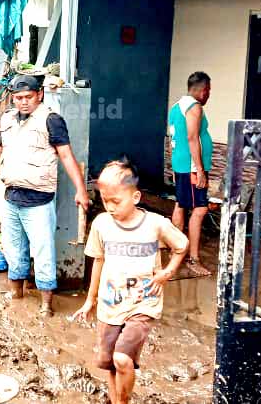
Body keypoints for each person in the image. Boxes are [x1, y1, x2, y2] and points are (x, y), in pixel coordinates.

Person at [0, 74, 89, 316]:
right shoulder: (8, 119)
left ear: (40, 95)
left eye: (28, 97)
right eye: (18, 98)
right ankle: (17, 296)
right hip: (11, 199)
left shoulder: (51, 120)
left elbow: (66, 155)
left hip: (39, 202)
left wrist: (81, 190)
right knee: (14, 251)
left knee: (44, 253)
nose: (23, 102)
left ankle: (46, 306)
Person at [73, 159, 188, 404]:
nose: (110, 207)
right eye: (105, 201)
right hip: (110, 305)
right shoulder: (102, 224)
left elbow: (182, 245)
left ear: (135, 197)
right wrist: (90, 300)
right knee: (111, 364)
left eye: (116, 201)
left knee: (122, 359)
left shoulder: (155, 224)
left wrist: (167, 273)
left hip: (143, 303)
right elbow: (99, 262)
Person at [166, 71, 213, 276]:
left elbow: (172, 139)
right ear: (202, 90)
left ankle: (176, 252)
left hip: (181, 164)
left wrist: (174, 165)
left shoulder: (176, 107)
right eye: (208, 90)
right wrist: (200, 170)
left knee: (181, 204)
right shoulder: (194, 107)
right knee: (200, 209)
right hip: (192, 168)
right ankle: (193, 259)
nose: (208, 94)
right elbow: (193, 139)